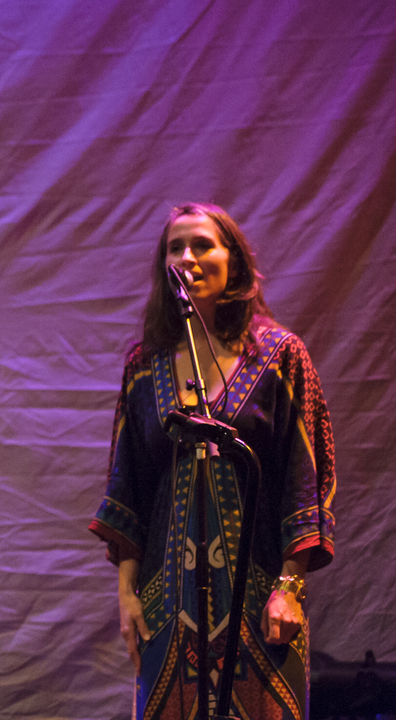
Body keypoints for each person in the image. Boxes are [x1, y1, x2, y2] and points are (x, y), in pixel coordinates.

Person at [89, 203, 336, 719]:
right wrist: (127, 596)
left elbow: (304, 477)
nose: (187, 257)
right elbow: (127, 484)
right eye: (175, 247)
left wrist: (289, 588)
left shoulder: (280, 355)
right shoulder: (144, 364)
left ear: (234, 262)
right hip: (166, 597)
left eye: (203, 245)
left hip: (260, 593)